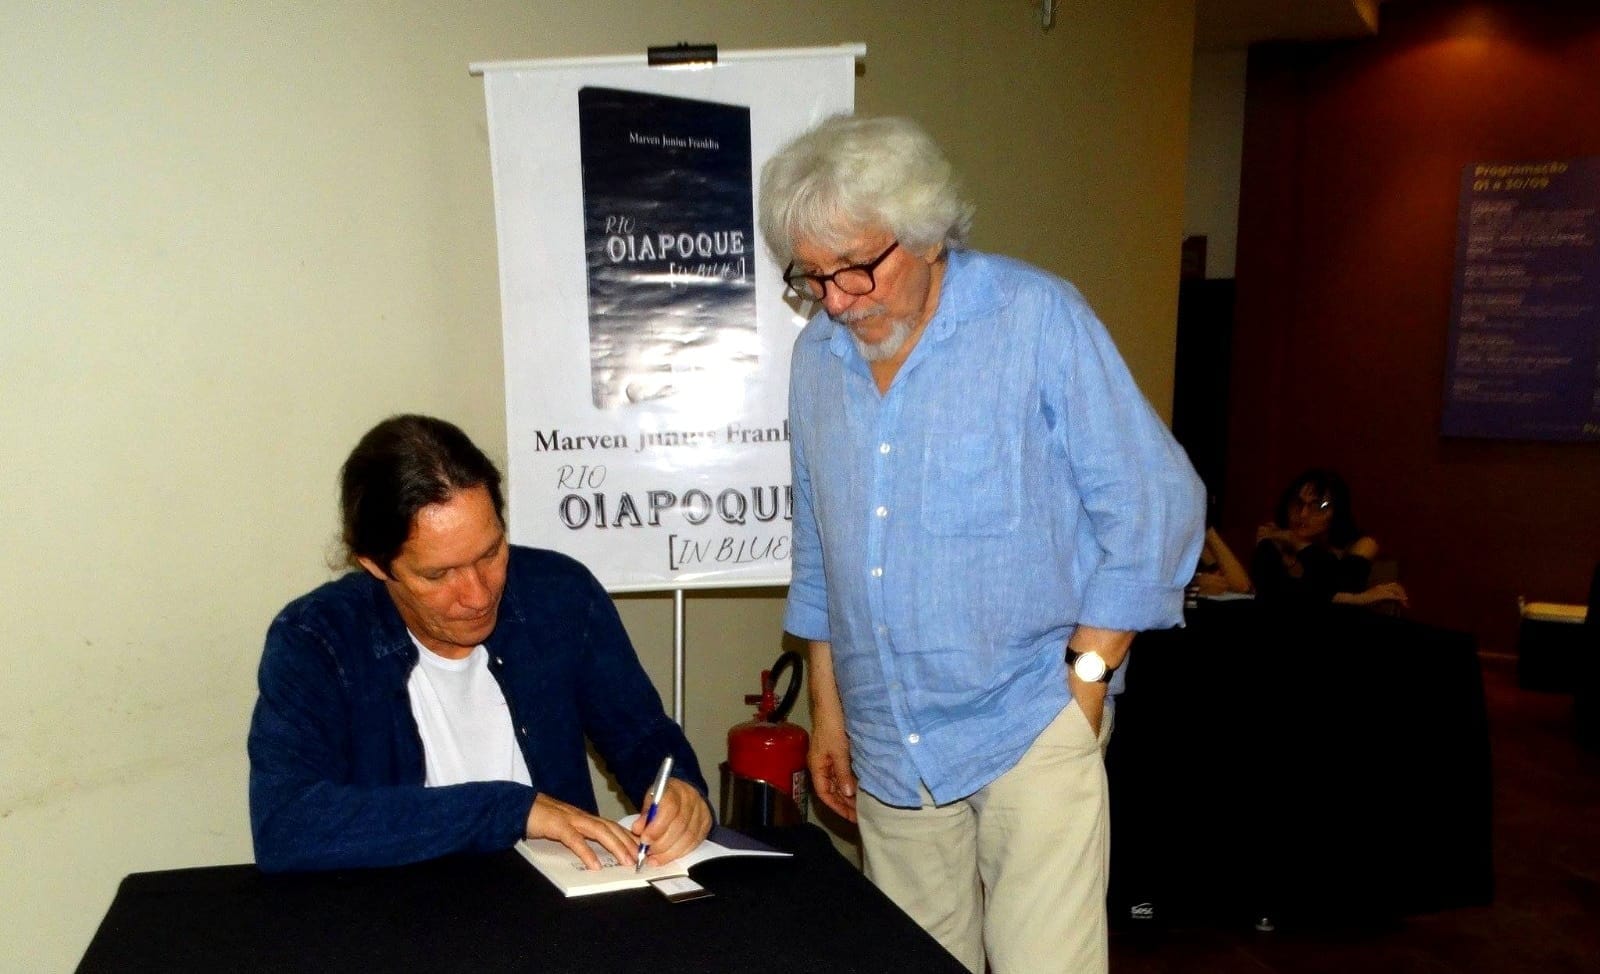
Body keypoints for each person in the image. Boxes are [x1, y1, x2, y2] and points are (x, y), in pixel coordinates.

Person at [760, 115, 1205, 974]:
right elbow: (820, 547)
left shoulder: (1035, 318)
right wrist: (828, 707)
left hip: (1030, 720)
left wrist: (1087, 680)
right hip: (889, 736)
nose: (839, 300)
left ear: (926, 234)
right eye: (814, 277)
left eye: (857, 267)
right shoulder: (816, 358)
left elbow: (1157, 499)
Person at [247, 414, 711, 873]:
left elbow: (641, 734)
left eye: (490, 553)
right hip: (394, 921)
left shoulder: (560, 594)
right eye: (438, 574)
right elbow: (287, 826)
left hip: (560, 909)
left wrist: (681, 793)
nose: (478, 594)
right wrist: (511, 810)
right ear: (374, 565)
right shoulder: (316, 639)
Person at [1249, 467, 1408, 609]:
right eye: (1298, 503)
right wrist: (1358, 599)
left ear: (1336, 511)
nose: (1303, 514)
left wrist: (1299, 543)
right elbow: (1271, 596)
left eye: (1318, 506)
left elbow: (1342, 585)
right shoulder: (1275, 540)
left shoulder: (1360, 544)